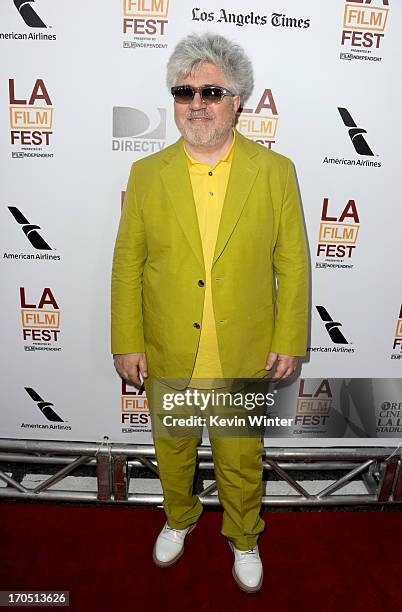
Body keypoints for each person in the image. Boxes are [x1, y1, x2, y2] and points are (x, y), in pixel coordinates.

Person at [111, 32, 309, 594]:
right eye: (184, 91)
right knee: (172, 450)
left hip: (242, 349)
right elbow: (128, 264)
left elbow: (293, 264)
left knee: (241, 458)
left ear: (237, 100)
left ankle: (244, 536)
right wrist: (127, 340)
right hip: (170, 345)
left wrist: (290, 337)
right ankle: (179, 517)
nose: (196, 103)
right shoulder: (147, 175)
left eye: (212, 91)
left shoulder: (275, 172)